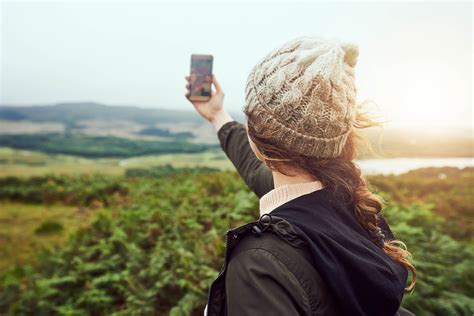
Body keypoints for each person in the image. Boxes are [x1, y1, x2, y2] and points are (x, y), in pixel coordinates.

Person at [185, 36, 416, 316]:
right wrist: (217, 115)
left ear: (257, 138)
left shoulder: (260, 266)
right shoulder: (355, 211)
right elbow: (256, 169)